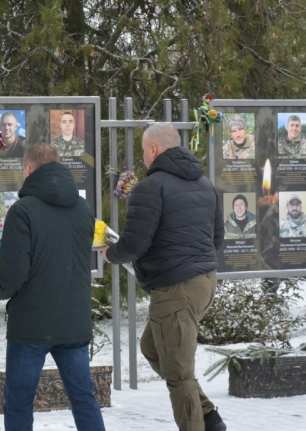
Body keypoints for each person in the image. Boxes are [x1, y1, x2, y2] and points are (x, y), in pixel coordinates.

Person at [95, 122, 226, 431]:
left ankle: (199, 424)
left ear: (153, 149)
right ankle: (207, 414)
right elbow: (216, 239)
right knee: (153, 348)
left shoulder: (150, 187)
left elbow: (136, 243)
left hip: (175, 288)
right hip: (204, 281)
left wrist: (109, 253)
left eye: (143, 150)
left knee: (179, 375)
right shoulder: (205, 184)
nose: (143, 156)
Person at [0, 143, 105, 431]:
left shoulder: (22, 211)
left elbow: (15, 273)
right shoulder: (83, 207)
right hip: (74, 320)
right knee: (83, 397)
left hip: (32, 323)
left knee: (18, 400)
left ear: (28, 170)